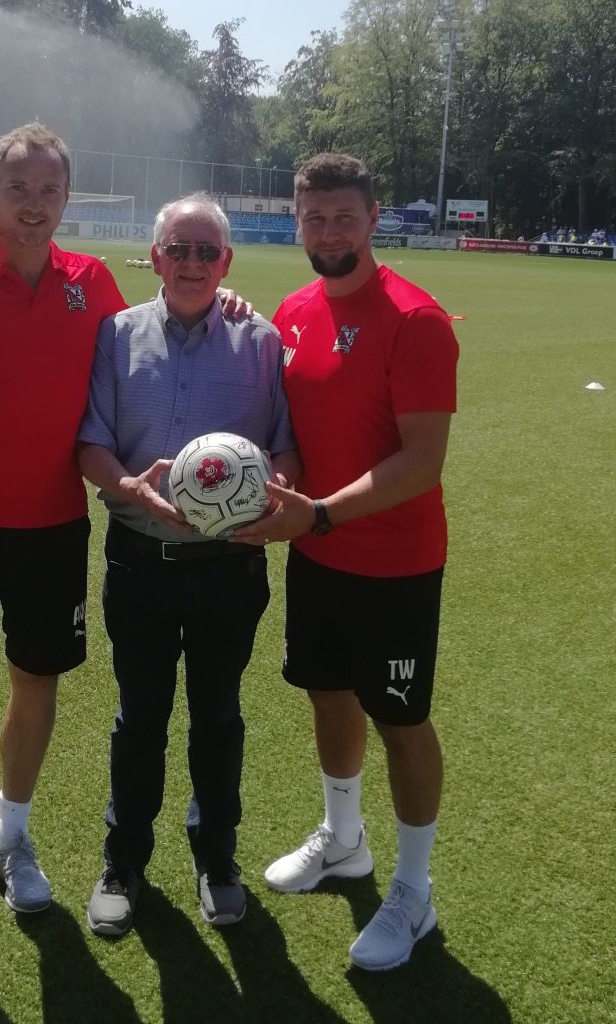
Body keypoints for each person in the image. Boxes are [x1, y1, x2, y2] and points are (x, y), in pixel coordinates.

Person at [0, 123, 249, 945]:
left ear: (67, 197)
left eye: (49, 191)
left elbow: (163, 323)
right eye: (19, 189)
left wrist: (226, 303)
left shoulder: (92, 285)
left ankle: (11, 842)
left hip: (53, 534)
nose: (34, 206)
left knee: (34, 686)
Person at [233, 153, 459, 972]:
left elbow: (422, 461)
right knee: (327, 696)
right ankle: (344, 839)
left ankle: (414, 889)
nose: (328, 231)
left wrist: (320, 513)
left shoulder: (415, 319)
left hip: (393, 562)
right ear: (297, 221)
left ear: (373, 217)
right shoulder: (292, 311)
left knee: (401, 721)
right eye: (313, 218)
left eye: (343, 217)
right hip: (318, 553)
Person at [77, 194, 299, 936]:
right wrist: (128, 484)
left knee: (218, 717)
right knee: (139, 717)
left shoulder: (260, 341)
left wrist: (272, 502)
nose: (195, 262)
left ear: (227, 262)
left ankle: (217, 860)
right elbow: (90, 444)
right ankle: (124, 862)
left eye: (208, 251)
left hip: (228, 569)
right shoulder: (115, 335)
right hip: (138, 560)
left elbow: (285, 450)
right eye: (181, 248)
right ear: (157, 256)